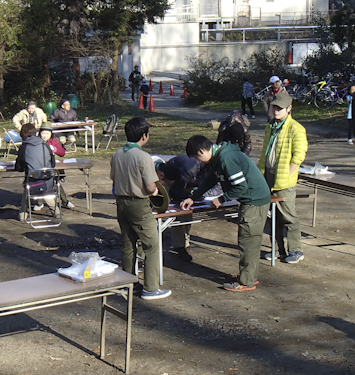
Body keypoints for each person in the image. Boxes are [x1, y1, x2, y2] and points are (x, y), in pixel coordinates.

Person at [180, 136, 270, 292]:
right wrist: (193, 197)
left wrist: (222, 198)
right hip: (252, 198)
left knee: (248, 241)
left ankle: (246, 281)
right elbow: (210, 179)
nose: (199, 161)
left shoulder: (226, 158)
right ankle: (247, 275)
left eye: (197, 157)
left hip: (254, 200)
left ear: (202, 151)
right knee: (249, 240)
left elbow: (240, 186)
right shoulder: (218, 157)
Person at [110, 117, 171, 300]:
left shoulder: (117, 154)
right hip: (139, 204)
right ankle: (151, 288)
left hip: (121, 203)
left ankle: (128, 285)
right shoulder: (143, 157)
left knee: (128, 244)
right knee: (151, 245)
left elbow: (114, 179)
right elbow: (152, 188)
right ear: (144, 136)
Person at [258, 91, 308, 264]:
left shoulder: (296, 128)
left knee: (288, 216)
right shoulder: (270, 127)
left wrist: (288, 173)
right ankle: (278, 250)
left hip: (284, 180)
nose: (276, 111)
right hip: (268, 176)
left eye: (280, 108)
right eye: (274, 107)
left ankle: (296, 250)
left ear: (289, 109)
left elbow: (299, 155)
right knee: (272, 218)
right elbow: (265, 152)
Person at [156, 155, 222, 262]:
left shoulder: (215, 170)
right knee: (180, 211)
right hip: (170, 179)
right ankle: (180, 246)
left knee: (187, 211)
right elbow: (175, 190)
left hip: (188, 185)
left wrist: (202, 195)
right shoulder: (189, 168)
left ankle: (184, 243)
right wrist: (192, 196)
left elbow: (218, 187)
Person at [15, 124, 60, 221]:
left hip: (32, 182)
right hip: (48, 181)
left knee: (28, 187)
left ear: (23, 134)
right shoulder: (45, 145)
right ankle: (56, 212)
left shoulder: (25, 146)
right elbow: (52, 163)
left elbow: (19, 166)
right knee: (42, 187)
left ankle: (22, 214)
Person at [39, 121, 74, 209]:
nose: (45, 136)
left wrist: (54, 149)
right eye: (43, 133)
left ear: (51, 134)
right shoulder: (37, 141)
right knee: (39, 182)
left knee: (55, 182)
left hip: (51, 166)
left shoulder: (53, 141)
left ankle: (64, 201)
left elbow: (62, 153)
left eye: (47, 134)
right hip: (39, 167)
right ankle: (39, 202)